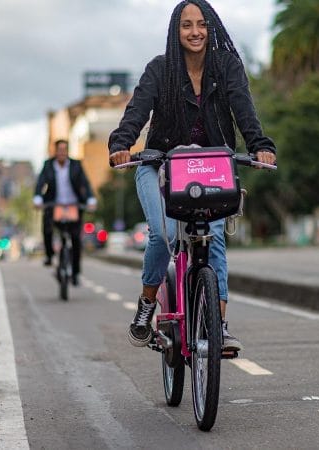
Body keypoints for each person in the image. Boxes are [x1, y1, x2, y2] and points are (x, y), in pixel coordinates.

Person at [108, 0, 276, 351]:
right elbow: (136, 112)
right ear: (176, 30)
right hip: (161, 166)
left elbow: (245, 110)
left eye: (201, 24)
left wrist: (260, 145)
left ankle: (220, 326)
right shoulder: (160, 69)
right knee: (164, 233)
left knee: (214, 240)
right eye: (187, 25)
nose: (195, 31)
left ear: (211, 26)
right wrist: (121, 144)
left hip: (213, 168)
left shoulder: (227, 66)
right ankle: (147, 304)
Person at [33, 139, 96, 286]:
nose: (62, 153)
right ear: (55, 151)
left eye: (64, 150)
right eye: (59, 150)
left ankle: (75, 273)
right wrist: (37, 198)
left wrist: (90, 199)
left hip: (73, 205)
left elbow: (85, 184)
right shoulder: (48, 165)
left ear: (67, 151)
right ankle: (49, 256)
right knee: (47, 229)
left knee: (75, 239)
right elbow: (40, 182)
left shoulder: (76, 165)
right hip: (54, 204)